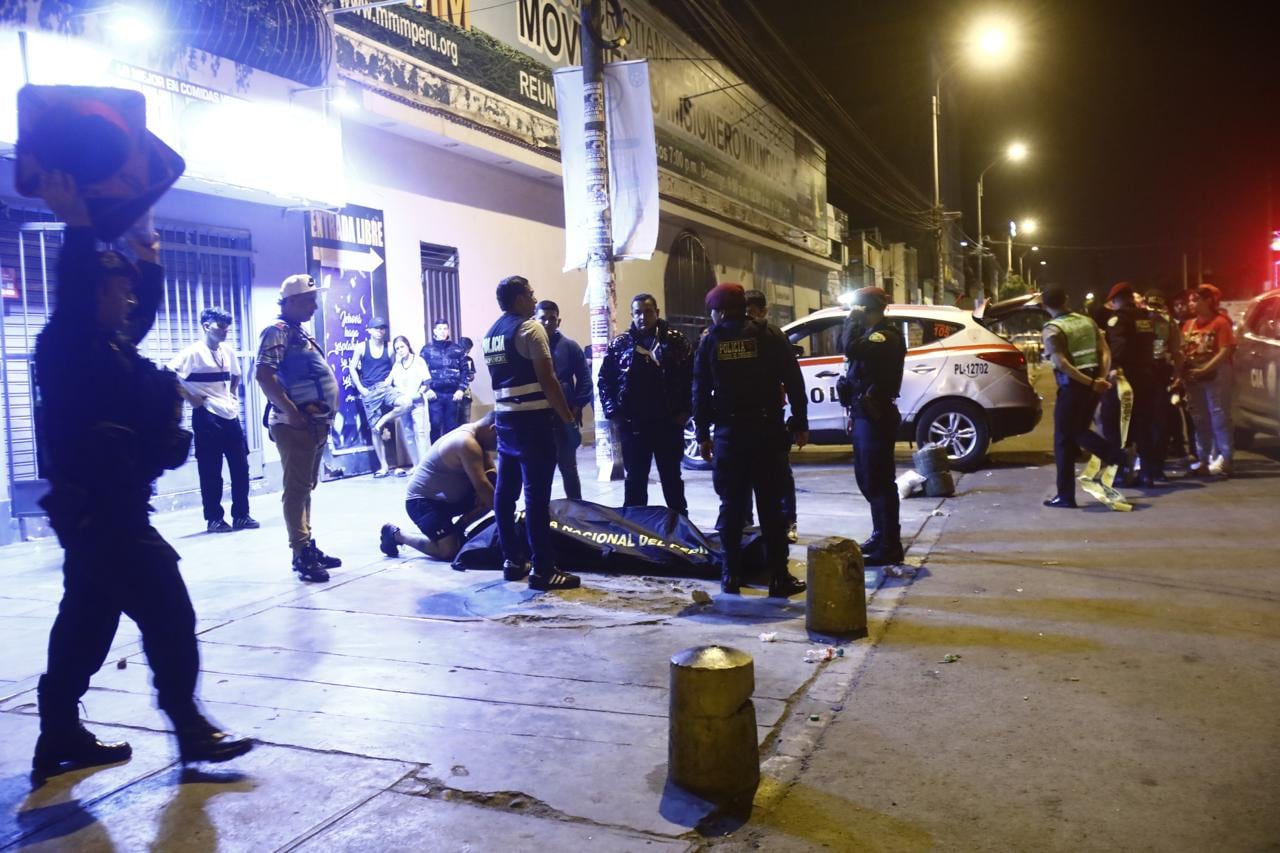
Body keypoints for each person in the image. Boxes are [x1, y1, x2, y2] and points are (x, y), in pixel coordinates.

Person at [31, 171, 252, 778]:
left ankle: (58, 733)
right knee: (168, 611)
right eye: (116, 291)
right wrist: (78, 224)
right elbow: (76, 292)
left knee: (89, 615)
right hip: (102, 511)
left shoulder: (108, 345)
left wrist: (146, 253)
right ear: (90, 294)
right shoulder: (67, 342)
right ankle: (189, 727)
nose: (128, 302)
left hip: (111, 508)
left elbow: (139, 308)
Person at [694, 283, 809, 597]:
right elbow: (794, 381)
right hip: (766, 432)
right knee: (772, 509)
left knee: (731, 507)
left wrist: (703, 434)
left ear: (719, 311)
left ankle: (730, 575)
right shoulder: (769, 335)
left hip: (729, 436)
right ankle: (778, 576)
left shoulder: (711, 341)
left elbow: (700, 391)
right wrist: (800, 422)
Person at [482, 276, 579, 591]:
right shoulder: (530, 328)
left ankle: (512, 561)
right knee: (536, 497)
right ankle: (543, 569)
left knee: (505, 493)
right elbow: (548, 379)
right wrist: (567, 418)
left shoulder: (491, 334)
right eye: (530, 293)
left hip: (506, 422)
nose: (535, 299)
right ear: (519, 298)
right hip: (534, 422)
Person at [255, 273, 343, 582]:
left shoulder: (297, 333)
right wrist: (290, 412)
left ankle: (305, 545)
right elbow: (264, 375)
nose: (315, 306)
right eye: (309, 300)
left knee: (305, 486)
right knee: (296, 489)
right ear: (291, 301)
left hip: (314, 425)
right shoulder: (277, 332)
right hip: (296, 426)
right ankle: (301, 551)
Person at [598, 294, 693, 514]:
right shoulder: (620, 345)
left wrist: (686, 411)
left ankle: (680, 523)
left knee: (671, 477)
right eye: (638, 312)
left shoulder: (675, 341)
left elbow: (692, 377)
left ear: (657, 313)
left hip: (668, 423)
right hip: (634, 425)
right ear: (632, 315)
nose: (643, 317)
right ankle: (635, 526)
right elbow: (605, 380)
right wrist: (613, 412)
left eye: (648, 312)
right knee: (635, 479)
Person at [168, 307, 258, 533]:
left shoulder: (227, 351)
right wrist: (190, 397)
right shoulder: (193, 353)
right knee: (211, 470)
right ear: (206, 326)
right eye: (220, 326)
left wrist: (233, 394)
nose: (225, 331)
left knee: (241, 467)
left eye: (227, 327)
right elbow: (168, 374)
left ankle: (241, 515)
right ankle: (214, 519)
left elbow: (236, 374)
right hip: (207, 415)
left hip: (230, 414)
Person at [1041, 285, 1126, 507]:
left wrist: (1090, 382)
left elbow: (1062, 363)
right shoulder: (1087, 321)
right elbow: (1105, 351)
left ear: (1044, 305)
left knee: (1063, 439)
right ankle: (1066, 495)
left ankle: (1115, 457)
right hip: (1092, 387)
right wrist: (1100, 378)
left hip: (1074, 387)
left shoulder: (1052, 329)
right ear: (1066, 299)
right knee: (1075, 433)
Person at [841, 287, 907, 564]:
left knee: (879, 481)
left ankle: (890, 545)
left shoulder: (885, 337)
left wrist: (850, 322)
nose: (854, 314)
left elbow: (849, 348)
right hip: (864, 413)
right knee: (866, 479)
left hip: (877, 414)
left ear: (867, 309)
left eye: (857, 309)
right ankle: (880, 533)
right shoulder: (871, 335)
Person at [379, 414, 498, 561]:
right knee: (448, 551)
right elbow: (482, 486)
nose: (501, 444)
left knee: (493, 491)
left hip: (448, 501)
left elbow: (493, 481)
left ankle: (458, 530)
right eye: (502, 438)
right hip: (423, 503)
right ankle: (396, 535)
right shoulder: (466, 442)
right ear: (494, 429)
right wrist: (509, 522)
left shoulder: (480, 442)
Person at [745, 288, 799, 543]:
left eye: (753, 312)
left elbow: (793, 380)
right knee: (742, 477)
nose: (748, 317)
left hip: (770, 419)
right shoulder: (727, 336)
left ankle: (788, 521)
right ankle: (745, 526)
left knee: (780, 475)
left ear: (764, 312)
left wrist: (801, 420)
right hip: (741, 421)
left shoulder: (773, 337)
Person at [1101, 283, 1160, 487]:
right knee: (1144, 424)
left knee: (1116, 424)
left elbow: (1119, 346)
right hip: (1146, 376)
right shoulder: (1145, 318)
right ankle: (1147, 473)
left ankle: (1121, 471)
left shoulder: (1118, 320)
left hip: (1126, 378)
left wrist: (1114, 366)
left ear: (1117, 300)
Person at [535, 300, 593, 500]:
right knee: (541, 470)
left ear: (558, 321)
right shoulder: (528, 346)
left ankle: (576, 509)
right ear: (535, 319)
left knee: (568, 467)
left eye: (552, 319)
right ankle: (543, 513)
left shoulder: (569, 346)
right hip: (538, 418)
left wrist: (576, 407)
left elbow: (585, 378)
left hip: (564, 415)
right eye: (543, 318)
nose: (547, 322)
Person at [1181, 283, 1236, 477]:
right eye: (1190, 300)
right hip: (1195, 377)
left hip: (1216, 375)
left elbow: (1226, 350)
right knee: (1199, 419)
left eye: (1196, 299)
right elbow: (1182, 350)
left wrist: (1206, 368)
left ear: (1208, 301)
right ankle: (1203, 457)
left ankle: (1224, 457)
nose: (1191, 303)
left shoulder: (1220, 323)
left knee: (1219, 416)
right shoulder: (1188, 325)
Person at [1143, 289, 1183, 480]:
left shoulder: (1169, 323)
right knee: (1142, 422)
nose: (1154, 314)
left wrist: (1177, 373)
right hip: (1141, 374)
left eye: (1157, 309)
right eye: (1151, 309)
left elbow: (1176, 350)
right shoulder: (1137, 321)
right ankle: (1144, 465)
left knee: (1160, 422)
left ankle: (1156, 467)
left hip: (1160, 374)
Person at [375, 335, 431, 471]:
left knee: (420, 433)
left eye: (402, 347)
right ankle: (416, 464)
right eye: (397, 348)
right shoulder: (397, 365)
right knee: (408, 434)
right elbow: (389, 381)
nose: (400, 350)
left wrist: (420, 393)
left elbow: (427, 381)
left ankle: (424, 466)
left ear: (408, 346)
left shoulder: (418, 361)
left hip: (417, 402)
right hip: (403, 404)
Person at [350, 317, 396, 477]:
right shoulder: (361, 347)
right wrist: (361, 388)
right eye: (376, 328)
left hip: (386, 390)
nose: (380, 331)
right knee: (376, 430)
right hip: (369, 392)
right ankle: (384, 466)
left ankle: (394, 464)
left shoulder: (389, 348)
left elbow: (396, 367)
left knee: (391, 425)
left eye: (382, 328)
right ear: (369, 330)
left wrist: (389, 382)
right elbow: (352, 368)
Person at [423, 319, 469, 443]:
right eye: (440, 329)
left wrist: (461, 390)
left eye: (445, 329)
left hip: (453, 395)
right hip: (434, 395)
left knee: (452, 428)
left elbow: (466, 371)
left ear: (448, 331)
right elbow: (420, 373)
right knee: (435, 425)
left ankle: (451, 458)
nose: (442, 331)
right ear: (434, 331)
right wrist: (427, 390)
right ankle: (436, 458)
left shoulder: (457, 349)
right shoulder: (426, 350)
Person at [457, 336, 478, 425]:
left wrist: (469, 376)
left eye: (468, 350)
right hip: (455, 393)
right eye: (464, 350)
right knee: (454, 420)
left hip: (466, 394)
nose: (466, 352)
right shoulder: (453, 358)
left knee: (466, 420)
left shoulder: (469, 360)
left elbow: (472, 377)